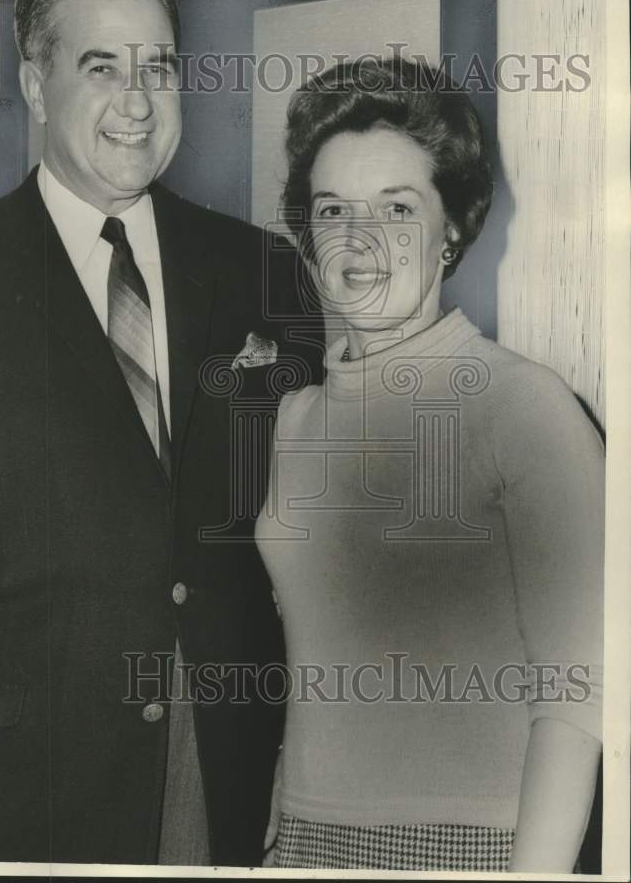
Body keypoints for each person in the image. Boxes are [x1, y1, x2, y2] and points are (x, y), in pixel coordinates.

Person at [0, 0, 321, 865]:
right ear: (35, 85)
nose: (138, 101)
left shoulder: (259, 271)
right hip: (10, 773)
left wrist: (298, 757)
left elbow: (304, 539)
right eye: (101, 67)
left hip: (216, 754)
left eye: (158, 67)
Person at [256, 57, 603, 872]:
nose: (360, 239)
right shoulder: (295, 419)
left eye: (397, 209)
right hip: (303, 841)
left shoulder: (525, 406)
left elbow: (580, 694)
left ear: (451, 230)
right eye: (333, 209)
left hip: (475, 849)